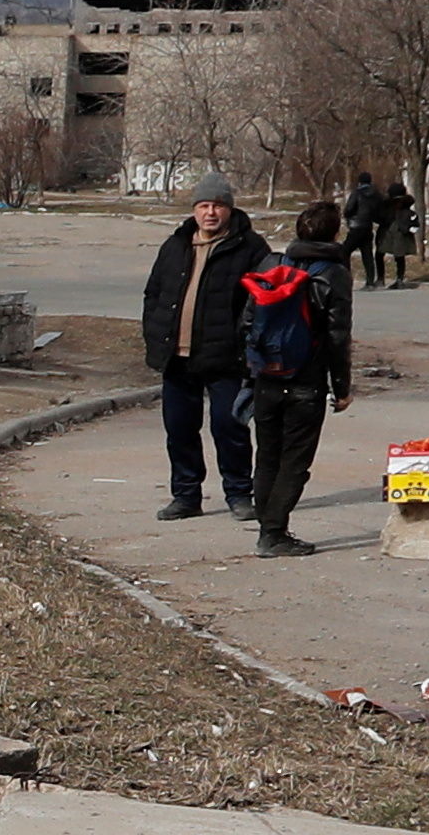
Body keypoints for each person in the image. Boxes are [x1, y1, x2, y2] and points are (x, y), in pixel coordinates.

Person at [137, 175, 268, 521]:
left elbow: (264, 303)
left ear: (230, 208)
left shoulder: (251, 248)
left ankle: (240, 494)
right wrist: (153, 335)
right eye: (204, 206)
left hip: (227, 359)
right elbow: (154, 293)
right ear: (194, 209)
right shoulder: (176, 245)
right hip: (176, 359)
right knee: (179, 429)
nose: (211, 213)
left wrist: (249, 349)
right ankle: (185, 495)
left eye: (218, 205)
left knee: (230, 428)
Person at [235, 218, 354, 557]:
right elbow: (337, 336)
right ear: (334, 234)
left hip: (267, 377)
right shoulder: (334, 274)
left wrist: (250, 370)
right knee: (295, 462)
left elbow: (245, 322)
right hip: (305, 381)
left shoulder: (273, 264)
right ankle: (274, 533)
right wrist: (341, 387)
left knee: (267, 457)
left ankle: (266, 529)